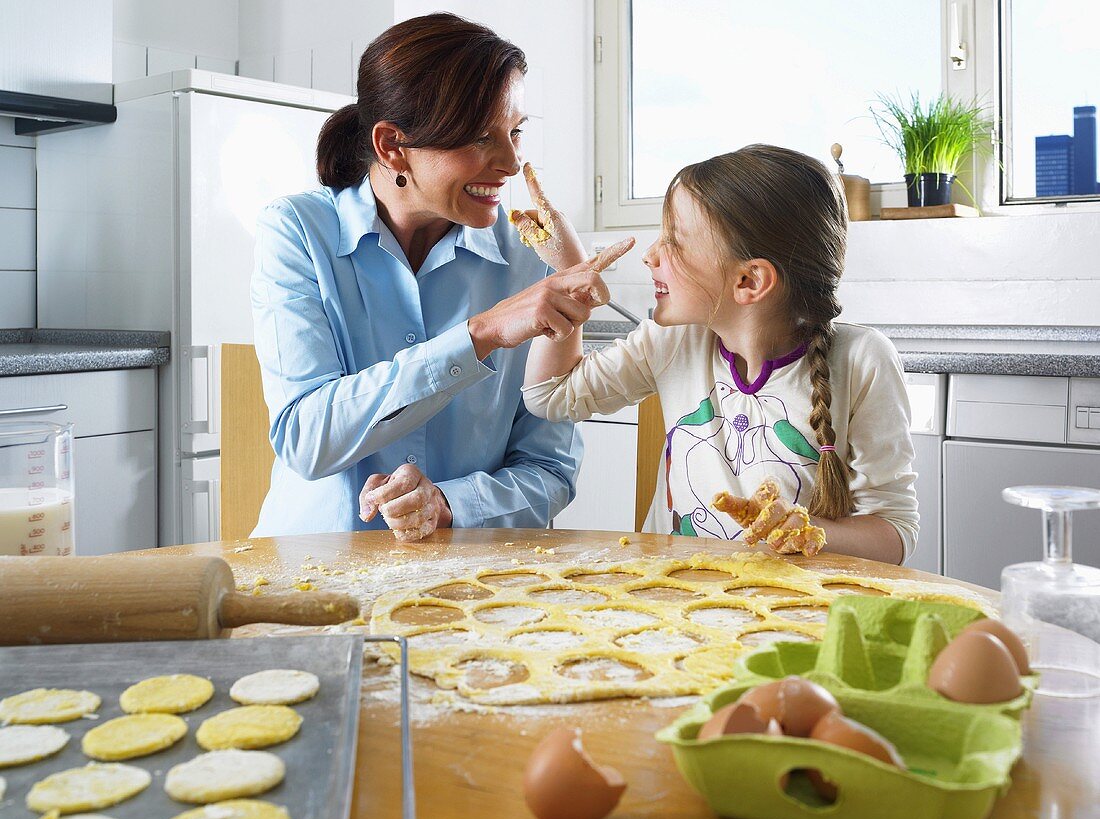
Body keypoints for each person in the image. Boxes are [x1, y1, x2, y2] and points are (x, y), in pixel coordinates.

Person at [250, 13, 619, 541]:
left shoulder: (531, 262)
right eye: (479, 138)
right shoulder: (297, 231)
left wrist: (451, 503)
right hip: (315, 572)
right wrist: (482, 334)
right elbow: (308, 441)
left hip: (471, 582)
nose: (512, 163)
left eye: (515, 133)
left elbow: (552, 469)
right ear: (391, 145)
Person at [520, 145, 918, 564]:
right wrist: (568, 275)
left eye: (673, 242)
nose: (650, 255)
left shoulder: (863, 360)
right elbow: (550, 396)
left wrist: (808, 531)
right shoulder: (672, 340)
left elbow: (893, 534)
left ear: (748, 280)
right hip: (675, 597)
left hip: (789, 612)